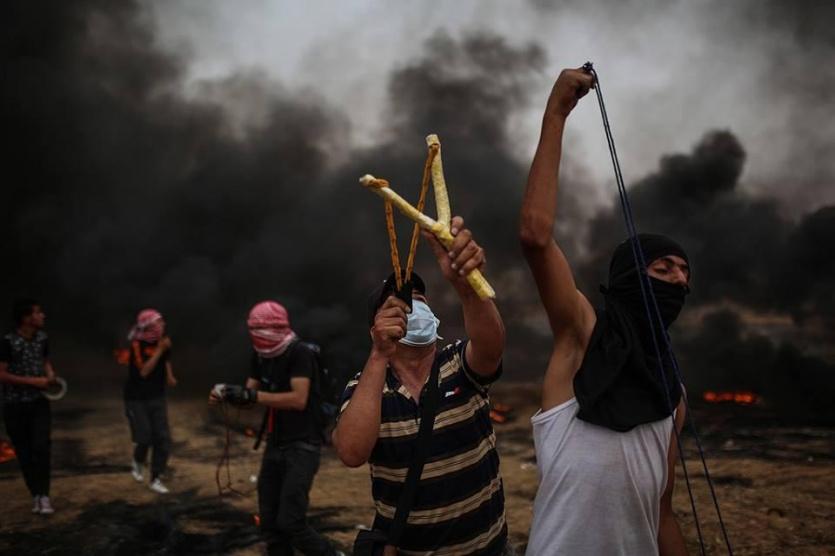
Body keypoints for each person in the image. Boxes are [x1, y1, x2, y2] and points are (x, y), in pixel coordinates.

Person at [519, 68, 690, 555]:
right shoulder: (582, 337)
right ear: (627, 277)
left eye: (684, 273)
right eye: (662, 268)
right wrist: (556, 114)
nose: (678, 280)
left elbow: (661, 513)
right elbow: (535, 236)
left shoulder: (671, 393)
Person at [333, 217, 511, 555]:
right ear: (377, 326)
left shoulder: (457, 364)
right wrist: (379, 354)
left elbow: (491, 348)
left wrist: (467, 287)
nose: (414, 307)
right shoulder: (365, 387)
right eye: (398, 304)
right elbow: (351, 452)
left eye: (420, 300)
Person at [210, 301, 341, 556]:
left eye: (260, 330)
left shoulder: (299, 353)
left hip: (303, 445)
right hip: (275, 443)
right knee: (269, 524)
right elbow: (250, 396)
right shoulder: (261, 355)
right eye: (253, 330)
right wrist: (226, 393)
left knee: (291, 522)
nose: (256, 335)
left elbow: (298, 399)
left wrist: (252, 396)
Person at [0, 299, 58, 515]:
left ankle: (44, 495)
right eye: (38, 312)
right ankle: (36, 495)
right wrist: (33, 382)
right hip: (14, 406)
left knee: (41, 447)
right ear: (26, 318)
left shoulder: (42, 338)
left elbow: (45, 360)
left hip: (39, 403)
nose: (42, 316)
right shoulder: (8, 342)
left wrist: (50, 375)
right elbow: (1, 374)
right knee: (24, 452)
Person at [123, 308, 177, 494]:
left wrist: (170, 376)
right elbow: (144, 371)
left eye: (162, 322)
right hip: (136, 399)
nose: (163, 325)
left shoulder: (163, 342)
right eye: (158, 322)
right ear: (148, 326)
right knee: (144, 437)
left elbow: (166, 360)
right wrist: (160, 350)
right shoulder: (136, 345)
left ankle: (155, 478)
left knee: (163, 439)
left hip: (157, 397)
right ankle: (138, 461)